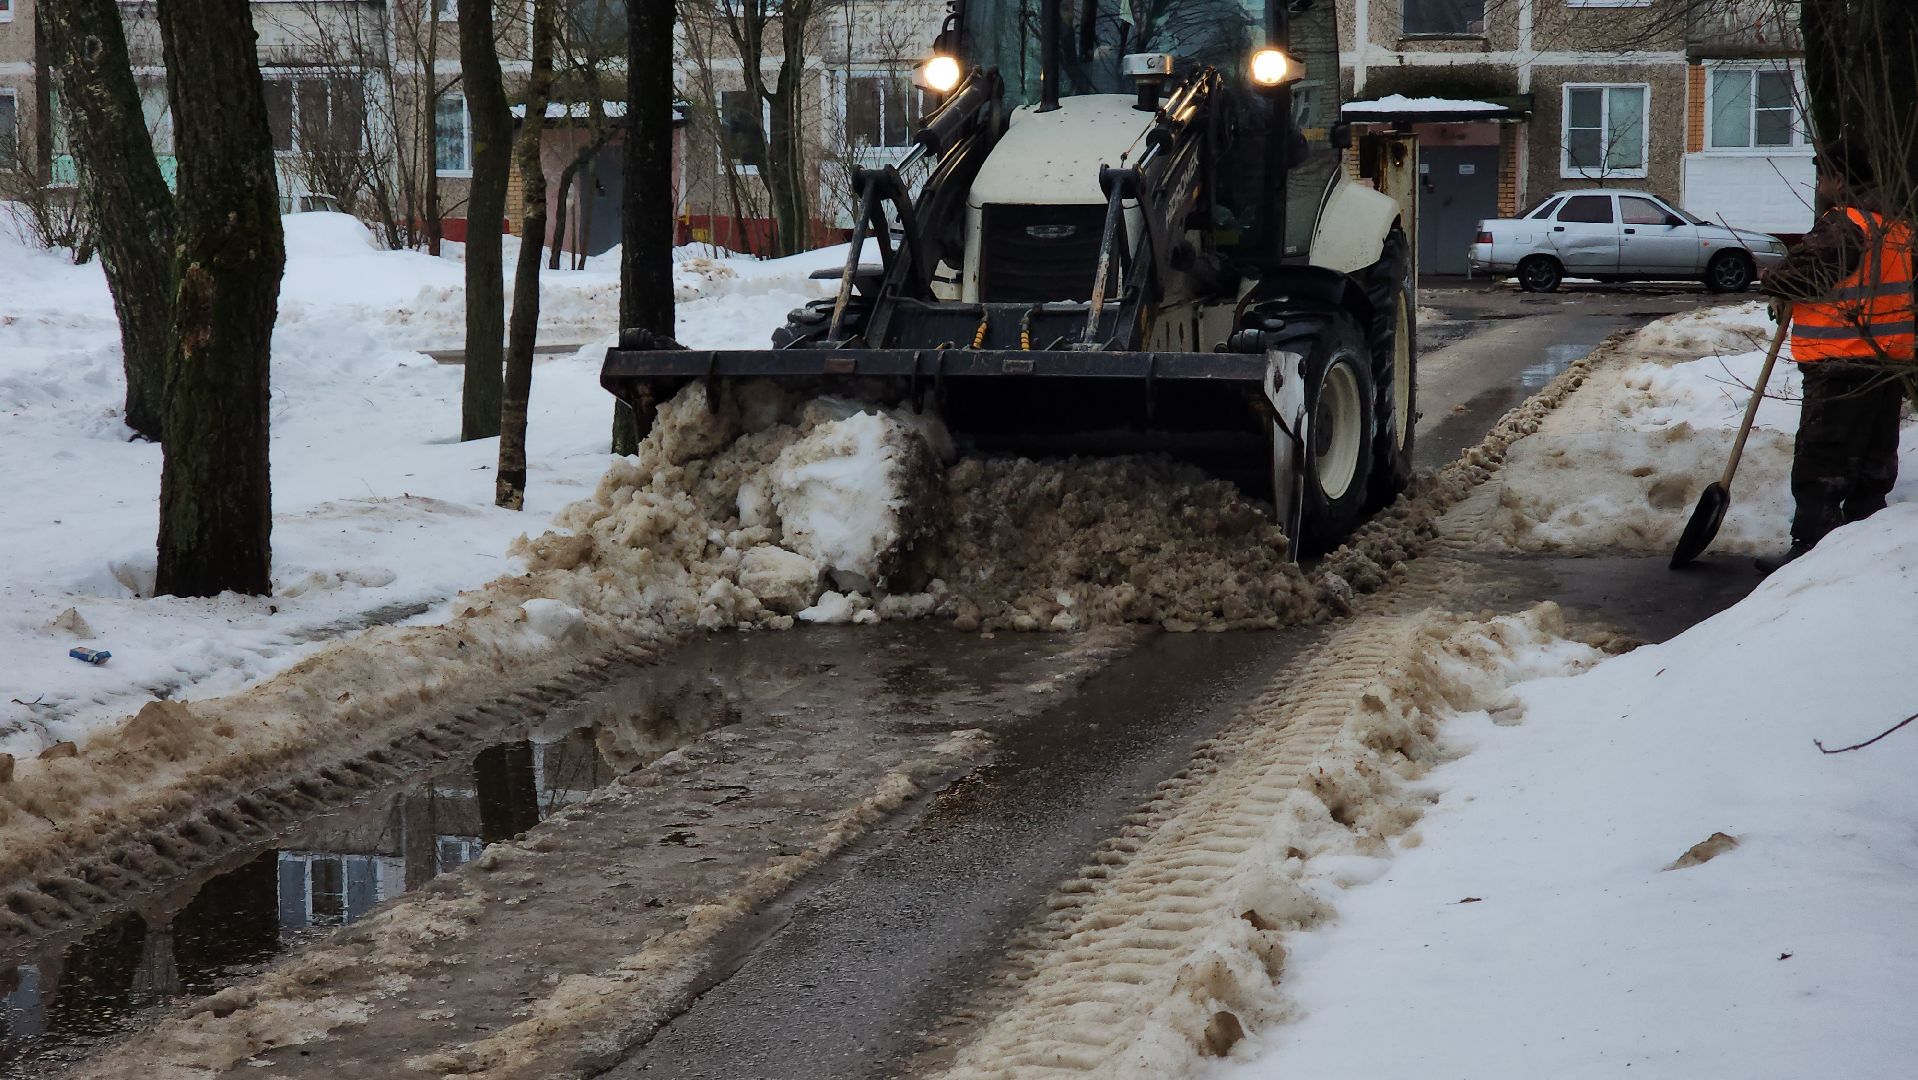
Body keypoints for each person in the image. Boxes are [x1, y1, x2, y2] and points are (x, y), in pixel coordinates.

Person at [1754, 137, 1915, 574]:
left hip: (1840, 361)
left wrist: (1773, 280)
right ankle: (1865, 547)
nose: (1820, 185)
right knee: (1871, 461)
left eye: (1823, 176)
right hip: (1888, 363)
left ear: (1840, 180)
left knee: (1823, 460)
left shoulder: (1845, 226)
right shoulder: (1898, 227)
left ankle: (1810, 552)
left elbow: (1796, 274)